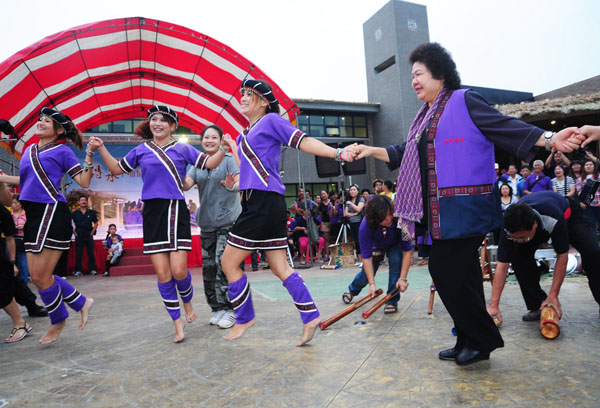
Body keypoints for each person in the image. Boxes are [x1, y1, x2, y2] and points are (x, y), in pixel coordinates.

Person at [354, 42, 582, 365]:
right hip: (440, 214)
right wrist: (369, 150)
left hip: (465, 209)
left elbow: (504, 126)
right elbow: (404, 151)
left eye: (419, 74)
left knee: (443, 269)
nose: (414, 81)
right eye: (413, 76)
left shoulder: (464, 100)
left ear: (439, 73)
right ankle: (467, 339)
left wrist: (548, 138)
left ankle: (482, 337)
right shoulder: (425, 118)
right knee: (464, 275)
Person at [219, 78, 356, 345]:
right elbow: (251, 167)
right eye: (242, 94)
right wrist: (235, 159)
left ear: (263, 101)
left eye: (249, 94)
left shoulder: (271, 121)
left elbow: (302, 141)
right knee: (280, 267)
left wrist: (336, 153)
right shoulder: (243, 134)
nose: (243, 97)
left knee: (228, 263)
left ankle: (244, 317)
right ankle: (310, 316)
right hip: (260, 202)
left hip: (262, 204)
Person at [90, 105, 231, 343]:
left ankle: (187, 304)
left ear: (172, 126)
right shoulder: (141, 150)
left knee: (178, 271)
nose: (157, 123)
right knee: (163, 275)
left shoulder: (183, 148)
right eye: (153, 119)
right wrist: (101, 147)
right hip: (153, 213)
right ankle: (177, 324)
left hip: (176, 210)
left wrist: (225, 148)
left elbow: (209, 163)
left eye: (163, 120)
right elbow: (116, 168)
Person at [0, 107, 95, 344]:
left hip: (52, 212)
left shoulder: (63, 151)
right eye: (40, 120)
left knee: (41, 276)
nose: (41, 123)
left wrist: (90, 154)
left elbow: (83, 180)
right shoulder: (30, 150)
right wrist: (2, 178)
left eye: (47, 121)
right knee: (38, 276)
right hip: (33, 214)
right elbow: (26, 180)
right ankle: (81, 303)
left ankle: (58, 320)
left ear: (59, 130)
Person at [487, 191, 600, 324]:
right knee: (518, 256)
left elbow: (562, 257)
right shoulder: (508, 226)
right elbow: (502, 266)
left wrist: (554, 295)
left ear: (535, 225)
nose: (519, 240)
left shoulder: (552, 217)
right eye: (514, 238)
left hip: (569, 217)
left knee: (593, 253)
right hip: (534, 224)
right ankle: (538, 305)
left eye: (522, 237)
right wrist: (493, 305)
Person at [183, 124, 242, 330]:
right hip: (206, 223)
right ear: (201, 141)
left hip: (229, 222)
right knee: (209, 268)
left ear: (220, 141)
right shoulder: (198, 163)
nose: (209, 140)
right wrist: (173, 172)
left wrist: (231, 186)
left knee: (224, 264)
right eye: (206, 137)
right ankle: (217, 308)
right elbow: (187, 184)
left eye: (213, 137)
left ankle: (231, 308)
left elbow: (239, 181)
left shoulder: (227, 161)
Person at [342, 196, 414, 314]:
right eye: (384, 218)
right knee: (366, 274)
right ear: (375, 219)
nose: (389, 219)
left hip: (395, 243)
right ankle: (353, 290)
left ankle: (391, 300)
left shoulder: (403, 217)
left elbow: (408, 250)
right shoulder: (365, 226)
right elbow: (367, 258)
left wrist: (403, 278)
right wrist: (372, 284)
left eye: (390, 214)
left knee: (396, 263)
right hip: (376, 244)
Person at [0, 199, 33, 343]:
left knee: (3, 291)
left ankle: (20, 323)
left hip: (4, 255)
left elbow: (9, 239)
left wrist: (13, 263)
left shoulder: (3, 212)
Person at [71, 195, 98, 276]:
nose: (83, 202)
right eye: (82, 200)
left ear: (87, 202)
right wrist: (74, 232)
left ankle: (92, 269)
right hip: (79, 234)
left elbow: (96, 222)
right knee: (78, 253)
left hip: (89, 233)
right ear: (79, 202)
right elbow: (71, 223)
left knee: (91, 253)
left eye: (85, 200)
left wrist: (92, 232)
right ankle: (78, 270)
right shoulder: (75, 213)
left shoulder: (91, 212)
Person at [344, 184, 365, 267]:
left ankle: (363, 260)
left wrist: (351, 204)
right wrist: (354, 214)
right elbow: (346, 214)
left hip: (359, 222)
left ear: (358, 191)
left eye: (354, 190)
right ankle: (359, 260)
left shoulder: (361, 199)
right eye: (351, 190)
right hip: (351, 223)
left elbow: (359, 209)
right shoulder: (348, 200)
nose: (352, 191)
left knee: (361, 241)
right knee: (355, 241)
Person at [10, 194, 29, 283]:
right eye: (12, 203)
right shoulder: (10, 214)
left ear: (20, 204)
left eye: (15, 203)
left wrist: (24, 227)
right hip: (11, 240)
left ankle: (24, 283)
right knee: (11, 264)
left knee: (23, 264)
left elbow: (31, 226)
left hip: (23, 241)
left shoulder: (26, 214)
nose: (13, 205)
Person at [580, 159, 600, 231]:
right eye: (586, 165)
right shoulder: (580, 179)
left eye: (591, 165)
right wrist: (581, 202)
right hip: (587, 204)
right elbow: (579, 192)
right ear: (584, 167)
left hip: (598, 202)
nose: (588, 166)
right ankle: (594, 240)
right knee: (591, 223)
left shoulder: (598, 176)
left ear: (594, 166)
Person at [318, 190, 333, 259]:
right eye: (322, 194)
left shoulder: (332, 202)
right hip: (325, 222)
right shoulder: (321, 204)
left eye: (324, 194)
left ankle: (334, 254)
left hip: (333, 222)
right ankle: (327, 255)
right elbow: (320, 214)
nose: (323, 195)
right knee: (326, 239)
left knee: (333, 238)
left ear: (327, 194)